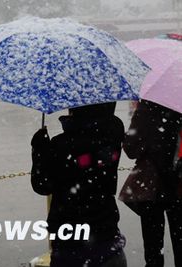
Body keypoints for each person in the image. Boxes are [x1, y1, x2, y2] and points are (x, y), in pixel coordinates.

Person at [30, 102, 127, 267]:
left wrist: (39, 151)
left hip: (71, 244)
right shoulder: (113, 133)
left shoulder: (62, 145)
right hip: (108, 236)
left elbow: (42, 185)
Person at [119, 99, 182, 267]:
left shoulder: (149, 107)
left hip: (153, 186)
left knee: (153, 250)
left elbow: (131, 149)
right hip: (178, 184)